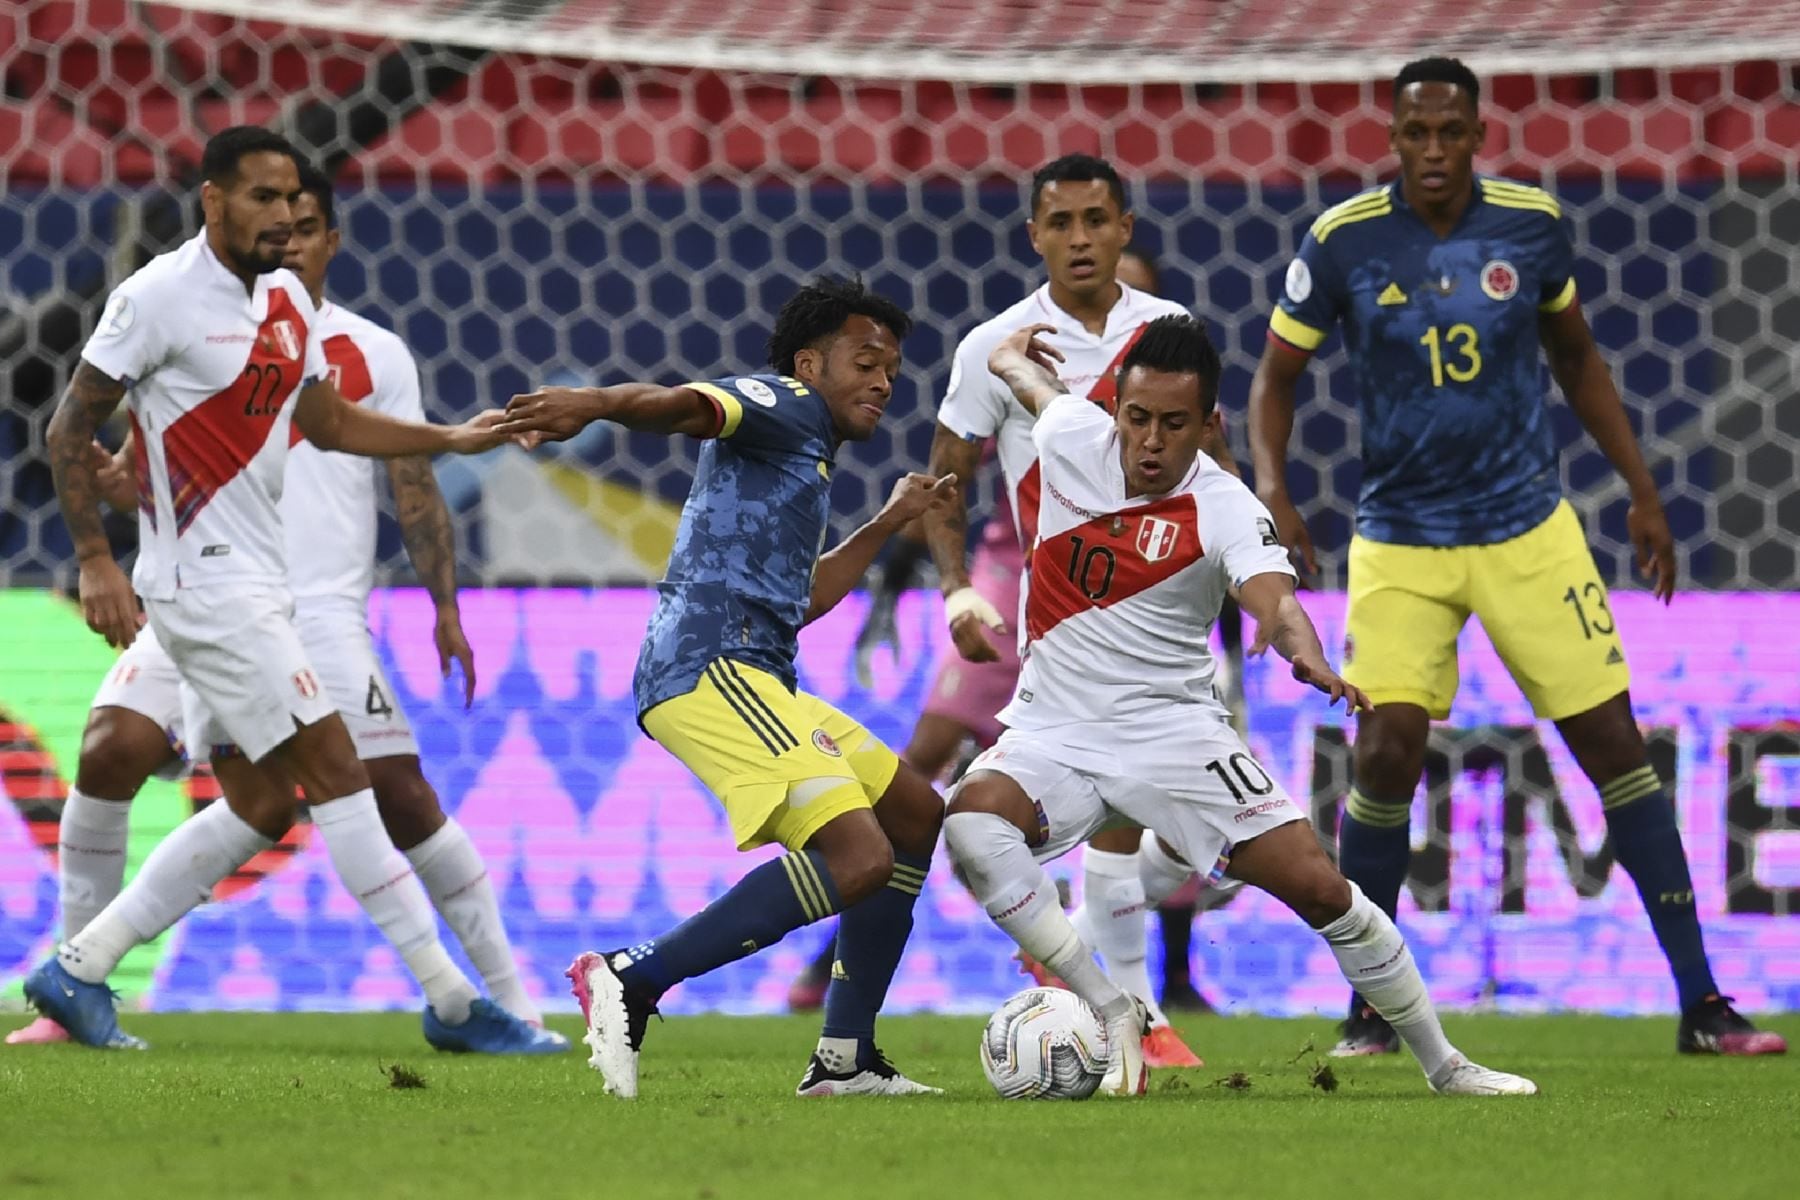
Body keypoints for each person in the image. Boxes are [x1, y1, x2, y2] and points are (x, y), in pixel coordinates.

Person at [1247, 57, 1786, 1058]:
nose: (1436, 152)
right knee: (1386, 747)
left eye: (1453, 133)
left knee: (1616, 746)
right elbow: (1275, 380)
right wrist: (1274, 490)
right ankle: (1373, 1005)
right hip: (1402, 537)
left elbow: (1576, 356)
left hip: (1527, 529)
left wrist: (1643, 490)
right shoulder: (1343, 240)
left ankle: (1703, 1005)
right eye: (1419, 134)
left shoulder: (1530, 225)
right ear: (1395, 139)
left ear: (1478, 134)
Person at [24, 127, 553, 1055]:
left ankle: (79, 968)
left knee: (268, 797)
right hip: (205, 591)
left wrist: (451, 439)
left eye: (293, 200)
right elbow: (71, 429)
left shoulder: (281, 306)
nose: (282, 215)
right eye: (263, 197)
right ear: (214, 201)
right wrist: (95, 561)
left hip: (262, 589)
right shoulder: (155, 297)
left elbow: (329, 420)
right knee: (339, 777)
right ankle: (456, 1005)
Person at [948, 315, 1537, 1098]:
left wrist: (1302, 646)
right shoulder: (1067, 439)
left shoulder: (1222, 505)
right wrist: (1004, 356)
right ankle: (1111, 1005)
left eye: (1174, 424)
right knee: (970, 822)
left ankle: (1446, 1064)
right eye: (1138, 419)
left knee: (1324, 890)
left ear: (1209, 424)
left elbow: (1274, 595)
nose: (1151, 441)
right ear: (1115, 409)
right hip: (1053, 731)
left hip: (1175, 734)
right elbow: (1037, 388)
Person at [496, 276, 957, 1100]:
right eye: (866, 361)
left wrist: (888, 523)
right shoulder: (782, 399)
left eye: (892, 368)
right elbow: (683, 406)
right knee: (858, 858)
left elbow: (800, 601)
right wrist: (596, 404)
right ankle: (633, 977)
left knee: (915, 813)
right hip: (711, 666)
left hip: (761, 666)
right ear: (810, 363)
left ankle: (845, 1060)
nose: (884, 381)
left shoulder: (802, 451)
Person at [786, 242, 1198, 1015]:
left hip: (1125, 605)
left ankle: (1163, 981)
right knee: (926, 761)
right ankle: (831, 950)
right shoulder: (1024, 360)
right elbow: (949, 476)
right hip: (1016, 590)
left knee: (1140, 787)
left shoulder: (1162, 384)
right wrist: (938, 590)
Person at [922, 157, 1213, 1068]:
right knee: (1120, 803)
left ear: (1126, 227)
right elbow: (944, 479)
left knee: (1182, 821)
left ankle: (1093, 969)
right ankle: (1140, 1013)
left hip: (1165, 603)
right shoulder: (996, 345)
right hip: (1069, 613)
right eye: (1062, 223)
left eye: (1097, 219)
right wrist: (957, 586)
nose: (1080, 238)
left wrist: (1255, 554)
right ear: (1034, 235)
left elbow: (1213, 454)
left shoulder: (1168, 329)